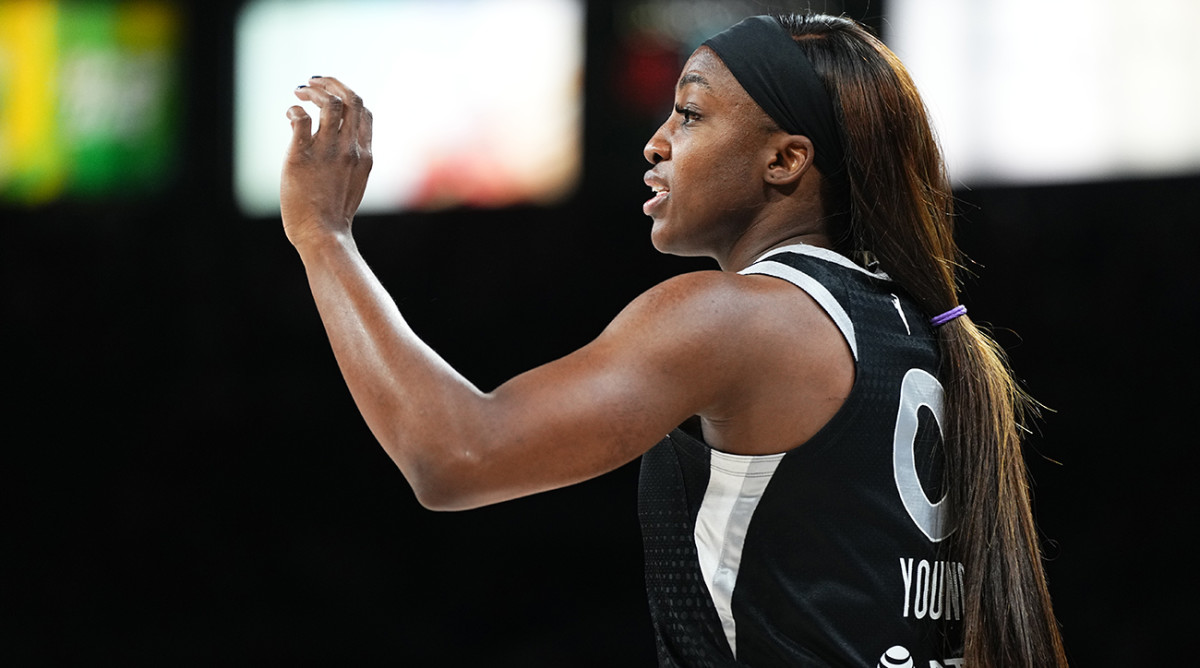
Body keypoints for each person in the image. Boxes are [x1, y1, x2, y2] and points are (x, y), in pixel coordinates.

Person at [279, 13, 1067, 668]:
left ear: (786, 160)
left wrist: (325, 237)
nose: (656, 143)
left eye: (688, 114)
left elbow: (455, 454)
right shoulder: (924, 334)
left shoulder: (737, 318)